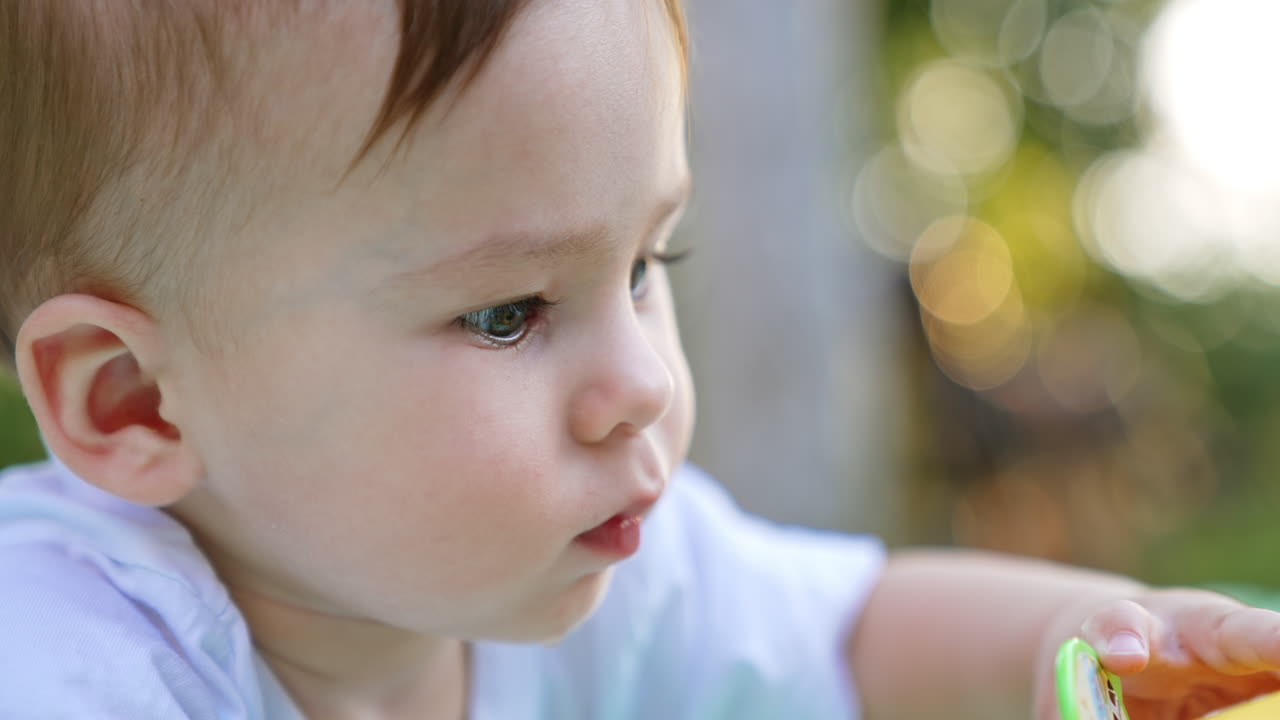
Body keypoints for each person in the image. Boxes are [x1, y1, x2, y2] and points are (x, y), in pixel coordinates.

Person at [1, 1, 1277, 718]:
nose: (645, 386)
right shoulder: (64, 662)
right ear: (132, 402)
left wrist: (1083, 640)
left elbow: (848, 639)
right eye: (507, 313)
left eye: (644, 267)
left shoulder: (603, 582)